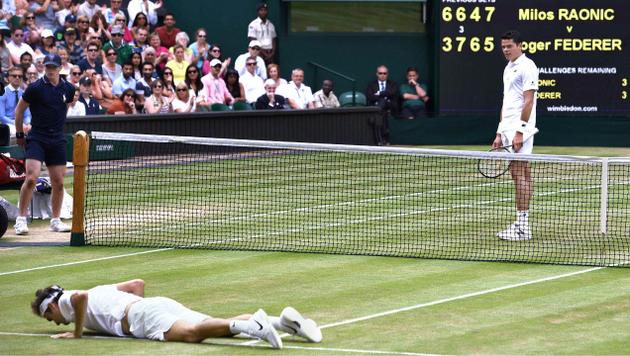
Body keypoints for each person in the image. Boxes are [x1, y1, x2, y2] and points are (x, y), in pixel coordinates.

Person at [31, 279, 322, 348]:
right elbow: (137, 284)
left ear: (52, 306)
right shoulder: (100, 289)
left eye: (49, 317)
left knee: (193, 335)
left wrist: (77, 332)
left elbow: (79, 298)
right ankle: (282, 323)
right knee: (209, 325)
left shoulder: (69, 300)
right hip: (154, 305)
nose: (54, 321)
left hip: (143, 316)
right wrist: (138, 311)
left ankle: (256, 326)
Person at [14, 53, 75, 235]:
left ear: (60, 67)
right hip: (37, 137)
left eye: (53, 67)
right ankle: (21, 219)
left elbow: (63, 107)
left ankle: (55, 220)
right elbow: (19, 111)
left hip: (57, 139)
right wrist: (19, 133)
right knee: (31, 177)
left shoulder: (68, 89)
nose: (50, 70)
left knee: (58, 182)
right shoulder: (35, 88)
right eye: (47, 66)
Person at [494, 30, 539, 241]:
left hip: (519, 130)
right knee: (522, 173)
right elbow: (507, 101)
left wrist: (519, 131)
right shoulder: (508, 68)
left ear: (520, 45)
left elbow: (528, 101)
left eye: (509, 46)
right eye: (503, 47)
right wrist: (499, 131)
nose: (505, 50)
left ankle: (522, 227)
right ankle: (522, 224)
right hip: (508, 127)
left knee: (518, 173)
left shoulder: (528, 67)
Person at [366, 65, 399, 146]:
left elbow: (392, 93)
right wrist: (384, 97)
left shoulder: (393, 84)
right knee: (382, 109)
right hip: (377, 107)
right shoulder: (371, 85)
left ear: (387, 74)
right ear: (377, 74)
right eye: (380, 73)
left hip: (390, 106)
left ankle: (380, 140)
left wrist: (379, 93)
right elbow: (370, 97)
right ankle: (384, 139)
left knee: (382, 104)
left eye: (385, 73)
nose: (382, 75)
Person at [0, 66, 31, 135]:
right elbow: (1, 117)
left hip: (22, 123)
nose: (17, 78)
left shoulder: (24, 93)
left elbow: (27, 114)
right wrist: (18, 124)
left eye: (20, 76)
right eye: (14, 76)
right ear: (8, 78)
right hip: (7, 124)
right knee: (17, 132)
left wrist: (28, 124)